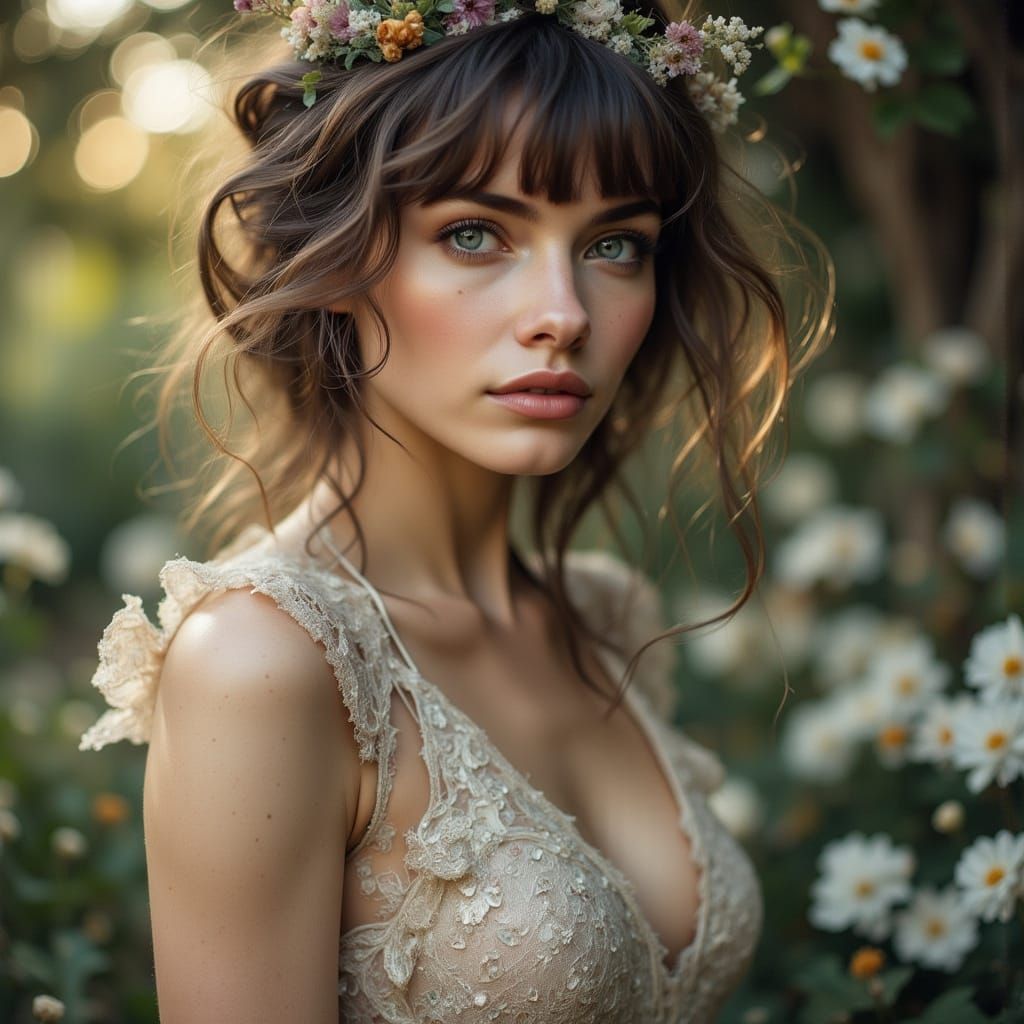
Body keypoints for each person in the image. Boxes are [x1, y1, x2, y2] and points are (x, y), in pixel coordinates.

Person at [79, 1, 833, 1020]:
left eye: (616, 245)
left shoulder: (600, 617)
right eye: (476, 234)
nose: (562, 313)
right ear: (338, 259)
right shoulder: (265, 664)